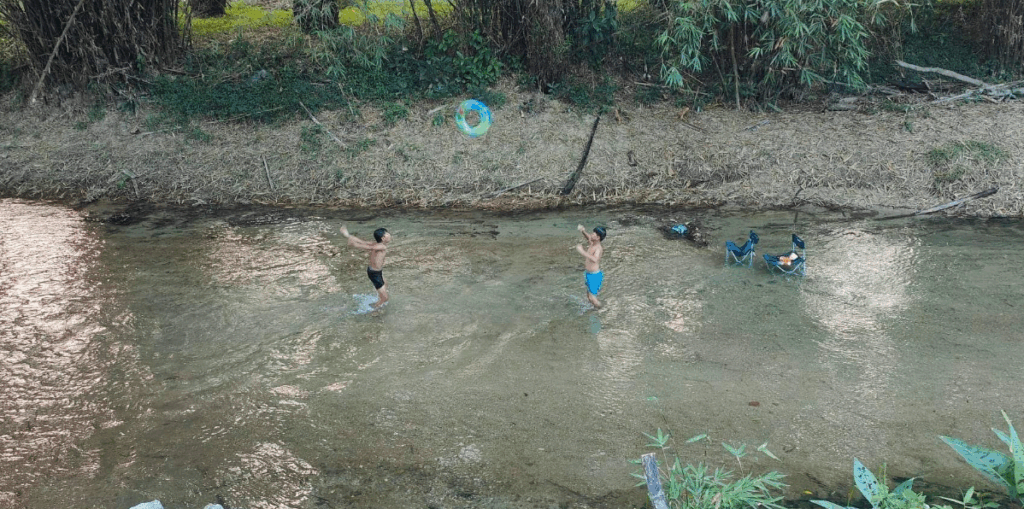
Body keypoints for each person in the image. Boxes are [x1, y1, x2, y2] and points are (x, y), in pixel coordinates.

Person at [339, 225, 391, 309]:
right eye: (388, 234)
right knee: (385, 298)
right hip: (375, 273)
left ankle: (380, 295)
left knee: (385, 283)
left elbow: (364, 242)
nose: (390, 235)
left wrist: (347, 235)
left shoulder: (377, 244)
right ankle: (374, 309)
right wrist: (354, 245)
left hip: (375, 271)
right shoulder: (382, 246)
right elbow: (370, 247)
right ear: (383, 238)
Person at [575, 224, 606, 309]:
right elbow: (588, 237)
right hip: (589, 274)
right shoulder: (592, 243)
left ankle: (602, 309)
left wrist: (582, 252)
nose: (591, 235)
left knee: (593, 298)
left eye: (594, 234)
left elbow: (595, 259)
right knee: (589, 296)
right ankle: (594, 309)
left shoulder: (598, 248)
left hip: (594, 276)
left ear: (598, 237)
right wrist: (583, 231)